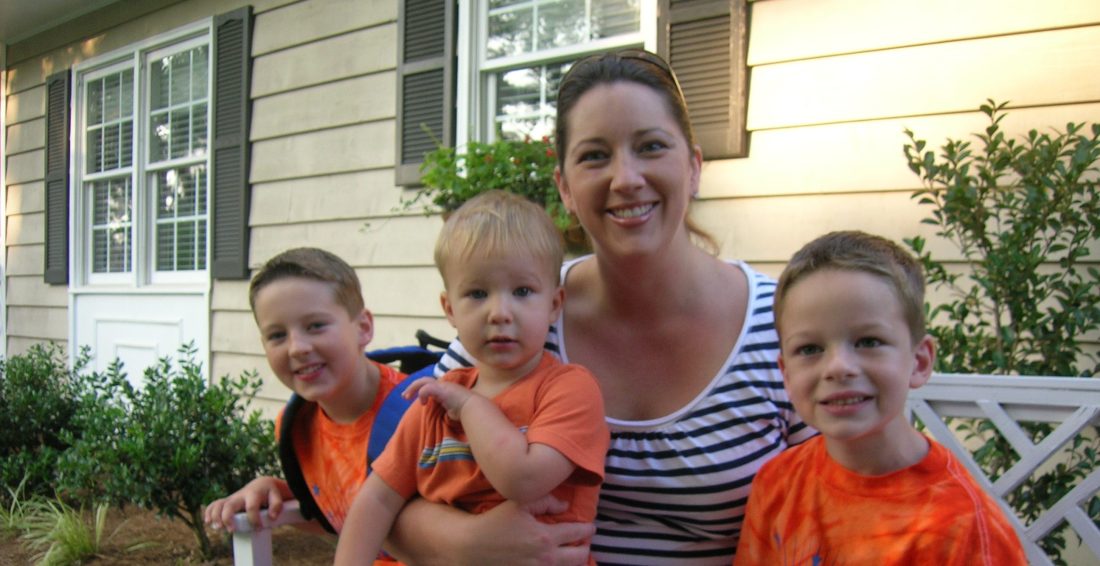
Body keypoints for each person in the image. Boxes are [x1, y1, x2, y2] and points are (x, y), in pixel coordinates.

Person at [384, 49, 815, 565]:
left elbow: (847, 497)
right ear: (564, 187)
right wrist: (467, 543)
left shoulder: (780, 324)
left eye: (651, 146)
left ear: (694, 167)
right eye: (594, 156)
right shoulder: (523, 313)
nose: (626, 178)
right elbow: (384, 497)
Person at [334, 190, 609, 565]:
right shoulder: (434, 403)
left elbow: (522, 481)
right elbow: (378, 498)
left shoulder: (568, 390)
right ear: (450, 308)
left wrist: (470, 408)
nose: (499, 312)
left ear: (554, 304)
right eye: (477, 293)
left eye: (523, 291)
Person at [734, 230, 1027, 565]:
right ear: (786, 374)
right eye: (810, 349)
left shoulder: (962, 528)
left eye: (868, 341)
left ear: (919, 361)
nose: (838, 367)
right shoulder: (777, 483)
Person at [203, 247, 406, 537]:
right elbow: (337, 516)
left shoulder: (421, 410)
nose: (297, 347)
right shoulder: (296, 425)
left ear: (363, 328)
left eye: (315, 326)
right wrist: (277, 491)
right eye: (277, 335)